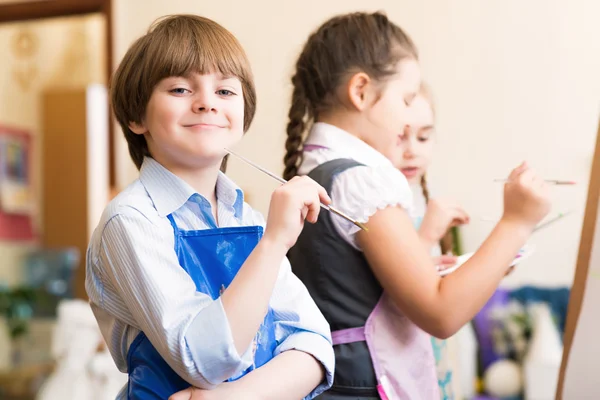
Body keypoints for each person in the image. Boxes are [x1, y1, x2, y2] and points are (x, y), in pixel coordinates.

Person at [283, 11, 550, 399]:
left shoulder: (316, 167)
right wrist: (517, 222)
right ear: (360, 91)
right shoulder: (361, 182)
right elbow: (441, 314)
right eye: (407, 100)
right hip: (369, 385)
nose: (409, 120)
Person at [86, 14, 334, 400]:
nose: (206, 104)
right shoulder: (131, 220)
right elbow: (204, 358)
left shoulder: (247, 219)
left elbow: (316, 349)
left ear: (243, 113)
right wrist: (273, 244)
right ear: (137, 116)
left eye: (224, 92)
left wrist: (221, 399)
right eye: (181, 89)